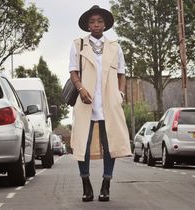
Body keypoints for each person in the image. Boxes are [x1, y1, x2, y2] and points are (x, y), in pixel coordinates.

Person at [69, 5, 131, 202]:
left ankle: (106, 184)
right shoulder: (78, 44)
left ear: (105, 24)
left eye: (100, 21)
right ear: (88, 25)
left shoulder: (115, 46)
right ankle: (86, 185)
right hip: (85, 100)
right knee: (82, 145)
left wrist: (120, 94)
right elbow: (73, 71)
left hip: (109, 103)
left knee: (109, 143)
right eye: (92, 22)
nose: (96, 24)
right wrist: (80, 89)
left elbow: (122, 74)